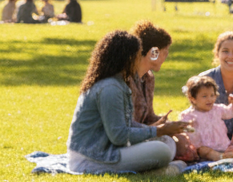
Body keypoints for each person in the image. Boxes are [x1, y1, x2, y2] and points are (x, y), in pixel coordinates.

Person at [66, 30, 190, 174]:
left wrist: (161, 130)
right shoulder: (110, 88)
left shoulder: (119, 83)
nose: (140, 60)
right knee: (161, 150)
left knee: (166, 142)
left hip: (110, 149)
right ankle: (156, 173)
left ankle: (154, 171)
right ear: (126, 59)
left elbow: (127, 124)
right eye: (138, 56)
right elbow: (119, 136)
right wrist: (158, 130)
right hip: (93, 157)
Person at [179, 75, 233, 162]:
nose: (209, 99)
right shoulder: (189, 115)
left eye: (212, 95)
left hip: (223, 145)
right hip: (204, 147)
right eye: (204, 96)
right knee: (204, 151)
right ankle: (220, 157)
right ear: (193, 98)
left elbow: (230, 112)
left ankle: (225, 156)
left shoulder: (217, 109)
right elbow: (186, 132)